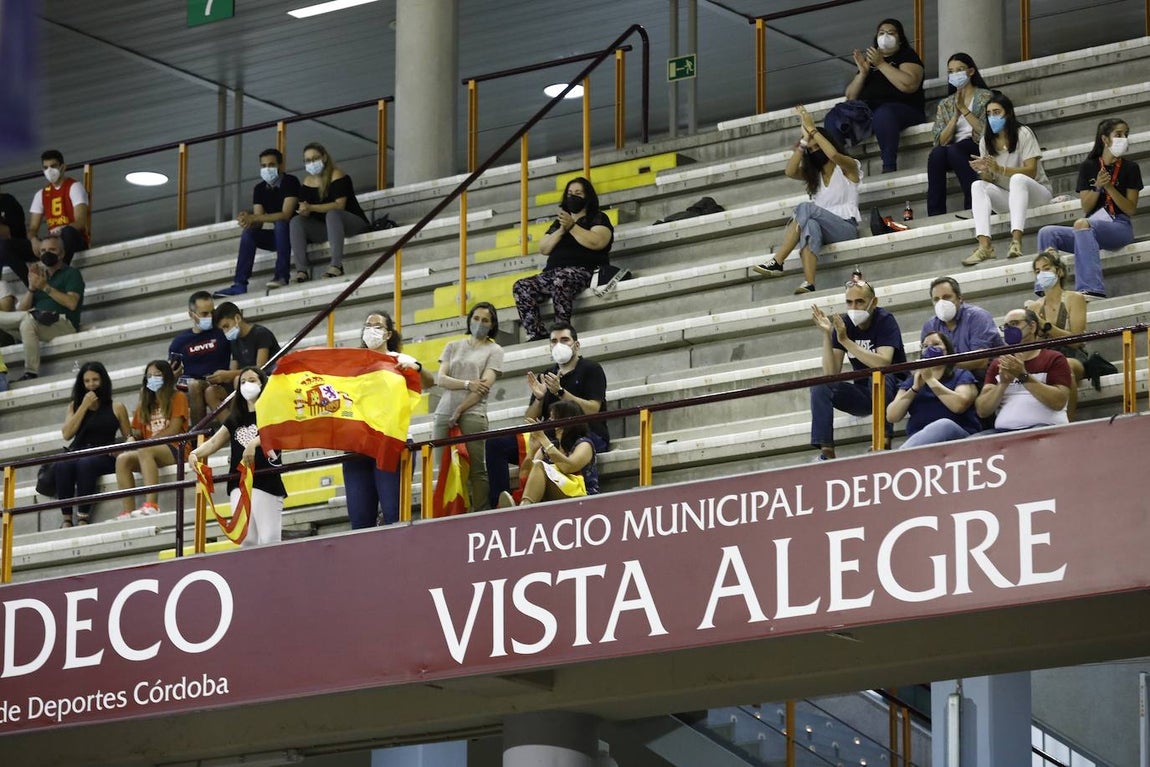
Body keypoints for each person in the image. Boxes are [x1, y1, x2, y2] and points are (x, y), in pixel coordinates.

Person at [486, 321, 609, 507]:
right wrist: (539, 398)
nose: (559, 344)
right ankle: (499, 504)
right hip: (551, 436)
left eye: (565, 339)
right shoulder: (547, 374)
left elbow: (593, 409)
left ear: (576, 345)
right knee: (496, 443)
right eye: (554, 341)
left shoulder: (591, 369)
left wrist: (560, 392)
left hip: (585, 432)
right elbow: (530, 419)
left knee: (545, 458)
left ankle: (525, 505)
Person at [753, 106, 861, 294]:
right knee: (809, 225)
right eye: (812, 150)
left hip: (846, 228)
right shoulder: (815, 176)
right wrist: (804, 142)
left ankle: (778, 261)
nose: (816, 151)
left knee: (806, 208)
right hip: (823, 229)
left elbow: (834, 155)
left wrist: (812, 130)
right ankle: (809, 282)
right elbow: (790, 171)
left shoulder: (849, 166)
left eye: (818, 146)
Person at [343, 310, 433, 528]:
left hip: (392, 442)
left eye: (377, 326)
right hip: (357, 446)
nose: (371, 330)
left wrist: (417, 367)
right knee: (359, 521)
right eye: (368, 325)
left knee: (395, 514)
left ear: (388, 334)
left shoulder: (400, 361)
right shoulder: (350, 364)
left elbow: (430, 382)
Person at [1036, 118, 1142, 299]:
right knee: (1047, 232)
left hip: (1119, 226)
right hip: (1090, 226)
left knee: (1082, 224)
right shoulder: (1089, 166)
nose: (1124, 138)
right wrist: (1098, 187)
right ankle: (1047, 287)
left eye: (1126, 134)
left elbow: (1130, 209)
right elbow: (1086, 205)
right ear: (1105, 139)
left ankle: (1092, 289)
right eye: (1118, 134)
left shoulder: (1131, 168)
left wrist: (1110, 188)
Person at [188, 366, 287, 546]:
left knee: (270, 541)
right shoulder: (235, 417)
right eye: (242, 382)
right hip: (239, 483)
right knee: (246, 539)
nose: (247, 385)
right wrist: (195, 453)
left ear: (262, 384)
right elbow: (214, 442)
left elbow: (275, 433)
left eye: (252, 380)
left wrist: (253, 444)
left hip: (265, 479)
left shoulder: (273, 412)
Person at [809, 280, 905, 460]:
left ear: (873, 302)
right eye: (849, 302)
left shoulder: (885, 320)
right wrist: (827, 335)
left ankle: (883, 440)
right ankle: (827, 451)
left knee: (880, 375)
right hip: (864, 392)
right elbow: (831, 374)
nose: (854, 307)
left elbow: (883, 363)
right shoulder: (844, 324)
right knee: (820, 386)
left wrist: (846, 341)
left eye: (859, 301)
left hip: (895, 391)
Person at [512, 177, 614, 341]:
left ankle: (561, 331)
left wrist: (573, 227)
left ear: (588, 197)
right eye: (570, 193)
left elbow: (598, 242)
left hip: (583, 270)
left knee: (561, 279)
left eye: (578, 193)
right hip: (553, 272)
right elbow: (544, 248)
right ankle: (536, 333)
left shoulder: (598, 217)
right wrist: (562, 230)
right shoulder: (559, 223)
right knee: (521, 286)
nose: (573, 197)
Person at [823, 18, 925, 173]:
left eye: (891, 33)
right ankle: (842, 168)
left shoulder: (907, 56)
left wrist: (882, 64)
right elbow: (850, 96)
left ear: (900, 39)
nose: (885, 36)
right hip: (869, 111)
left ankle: (889, 167)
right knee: (833, 117)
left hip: (903, 110)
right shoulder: (870, 62)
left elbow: (909, 85)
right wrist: (863, 73)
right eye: (882, 33)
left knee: (884, 114)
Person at [963, 92, 1052, 266]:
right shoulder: (985, 142)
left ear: (1008, 113)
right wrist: (985, 171)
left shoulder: (1023, 133)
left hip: (1038, 194)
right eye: (988, 114)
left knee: (1017, 179)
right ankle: (985, 246)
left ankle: (1016, 242)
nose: (992, 117)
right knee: (977, 185)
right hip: (1009, 199)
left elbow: (1031, 172)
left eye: (997, 112)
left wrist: (1001, 169)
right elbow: (989, 180)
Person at [433, 302, 504, 513]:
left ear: (492, 325)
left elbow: (484, 386)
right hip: (444, 409)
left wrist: (460, 409)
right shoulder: (453, 346)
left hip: (473, 412)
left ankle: (480, 511)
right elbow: (441, 379)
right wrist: (467, 383)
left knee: (476, 468)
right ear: (469, 319)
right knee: (445, 467)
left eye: (485, 320)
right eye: (476, 318)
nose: (479, 323)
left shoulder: (495, 350)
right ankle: (450, 513)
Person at [214, 148, 301, 296]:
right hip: (279, 238)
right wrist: (247, 220)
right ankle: (239, 284)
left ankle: (281, 276)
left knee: (281, 224)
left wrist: (254, 217)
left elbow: (286, 215)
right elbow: (258, 221)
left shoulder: (291, 181)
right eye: (263, 166)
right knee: (250, 233)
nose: (267, 169)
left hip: (296, 236)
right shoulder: (259, 189)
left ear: (281, 165)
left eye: (271, 165)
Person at [55, 361, 132, 527]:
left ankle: (83, 516)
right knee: (63, 464)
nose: (91, 385)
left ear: (103, 380)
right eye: (87, 381)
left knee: (86, 463)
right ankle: (67, 518)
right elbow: (67, 434)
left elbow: (128, 436)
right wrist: (83, 406)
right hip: (79, 451)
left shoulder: (116, 406)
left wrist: (122, 449)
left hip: (104, 454)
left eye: (95, 380)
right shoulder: (74, 406)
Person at [0, 235, 84, 381]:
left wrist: (45, 287)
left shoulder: (71, 274)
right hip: (38, 320)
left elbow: (72, 303)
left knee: (27, 321)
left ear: (62, 253)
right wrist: (32, 288)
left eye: (52, 249)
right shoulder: (40, 275)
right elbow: (21, 310)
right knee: (20, 319)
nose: (46, 253)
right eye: (43, 250)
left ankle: (31, 372)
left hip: (63, 323)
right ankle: (30, 372)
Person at [115, 360, 190, 518]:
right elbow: (137, 431)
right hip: (149, 451)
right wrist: (130, 437)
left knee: (145, 449)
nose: (153, 378)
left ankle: (152, 505)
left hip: (177, 448)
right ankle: (128, 511)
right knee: (123, 459)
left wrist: (147, 442)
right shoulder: (145, 403)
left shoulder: (178, 397)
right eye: (149, 376)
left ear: (167, 377)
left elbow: (174, 430)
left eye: (157, 375)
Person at [975, 309, 1071, 431]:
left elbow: (1058, 402)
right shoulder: (999, 363)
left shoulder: (1054, 358)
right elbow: (982, 411)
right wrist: (1002, 384)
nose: (1009, 329)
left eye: (1014, 324)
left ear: (1032, 326)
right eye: (1006, 326)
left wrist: (1023, 376)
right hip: (1003, 432)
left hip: (1045, 429)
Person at [289, 142, 369, 283]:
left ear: (324, 157)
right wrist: (304, 211)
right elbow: (306, 210)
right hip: (327, 227)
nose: (312, 163)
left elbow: (340, 206)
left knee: (333, 214)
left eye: (315, 158)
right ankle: (302, 270)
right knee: (296, 221)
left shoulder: (337, 175)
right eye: (308, 160)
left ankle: (336, 265)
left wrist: (311, 208)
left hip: (352, 223)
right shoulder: (307, 182)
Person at [498, 400, 599, 507]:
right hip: (553, 496)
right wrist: (532, 450)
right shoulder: (549, 446)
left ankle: (523, 508)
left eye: (553, 417)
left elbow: (568, 467)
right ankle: (524, 506)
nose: (549, 420)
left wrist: (543, 439)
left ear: (564, 420)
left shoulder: (584, 444)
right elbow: (525, 474)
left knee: (540, 465)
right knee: (537, 465)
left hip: (583, 498)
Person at [888, 332, 980, 449]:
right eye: (925, 346)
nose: (930, 348)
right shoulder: (913, 380)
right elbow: (892, 416)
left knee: (943, 425)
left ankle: (900, 457)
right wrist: (914, 389)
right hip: (919, 439)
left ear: (947, 350)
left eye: (936, 344)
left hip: (959, 436)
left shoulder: (961, 374)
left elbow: (959, 405)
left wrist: (930, 380)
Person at [927, 53, 993, 215]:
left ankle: (973, 204)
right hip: (952, 150)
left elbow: (987, 131)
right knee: (937, 154)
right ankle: (935, 212)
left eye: (959, 70)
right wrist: (955, 116)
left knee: (955, 150)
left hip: (977, 146)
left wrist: (964, 109)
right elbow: (939, 140)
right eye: (951, 71)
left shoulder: (986, 97)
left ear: (970, 72)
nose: (955, 74)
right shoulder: (946, 104)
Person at [1025, 249, 1087, 419]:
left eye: (1046, 269)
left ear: (1059, 271)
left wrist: (1044, 324)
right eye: (1038, 271)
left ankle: (1069, 422)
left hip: (1072, 354)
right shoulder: (1034, 307)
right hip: (1046, 357)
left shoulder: (1075, 298)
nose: (1042, 274)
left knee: (1065, 367)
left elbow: (1076, 341)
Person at [919, 276, 1003, 378]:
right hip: (949, 379)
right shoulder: (929, 325)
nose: (941, 303)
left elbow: (981, 361)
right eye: (936, 299)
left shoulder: (978, 317)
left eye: (946, 297)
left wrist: (945, 363)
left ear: (960, 298)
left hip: (987, 377)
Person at [168, 290, 231, 426]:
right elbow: (172, 375)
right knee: (194, 385)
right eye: (204, 314)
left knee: (205, 389)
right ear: (192, 315)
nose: (210, 316)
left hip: (221, 383)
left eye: (212, 312)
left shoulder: (223, 332)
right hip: (191, 386)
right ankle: (199, 437)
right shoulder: (180, 342)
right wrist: (173, 376)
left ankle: (200, 437)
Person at [27, 149, 89, 264]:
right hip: (51, 243)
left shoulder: (74, 186)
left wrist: (60, 232)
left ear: (63, 167)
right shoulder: (41, 194)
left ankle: (60, 271)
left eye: (53, 166)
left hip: (74, 240)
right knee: (7, 247)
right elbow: (32, 228)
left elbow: (80, 222)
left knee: (68, 232)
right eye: (45, 168)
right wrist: (34, 239)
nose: (49, 170)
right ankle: (29, 280)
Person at [207, 302, 281, 389]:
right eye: (222, 329)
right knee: (211, 391)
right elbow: (233, 369)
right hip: (245, 380)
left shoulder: (261, 333)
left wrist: (229, 374)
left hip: (268, 379)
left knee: (238, 380)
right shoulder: (234, 341)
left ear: (237, 318)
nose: (225, 331)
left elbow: (260, 369)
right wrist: (220, 377)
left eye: (226, 326)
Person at [0, 185, 35, 287]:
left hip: (17, 247)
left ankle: (31, 285)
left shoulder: (8, 201)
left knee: (3, 246)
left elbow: (11, 234)